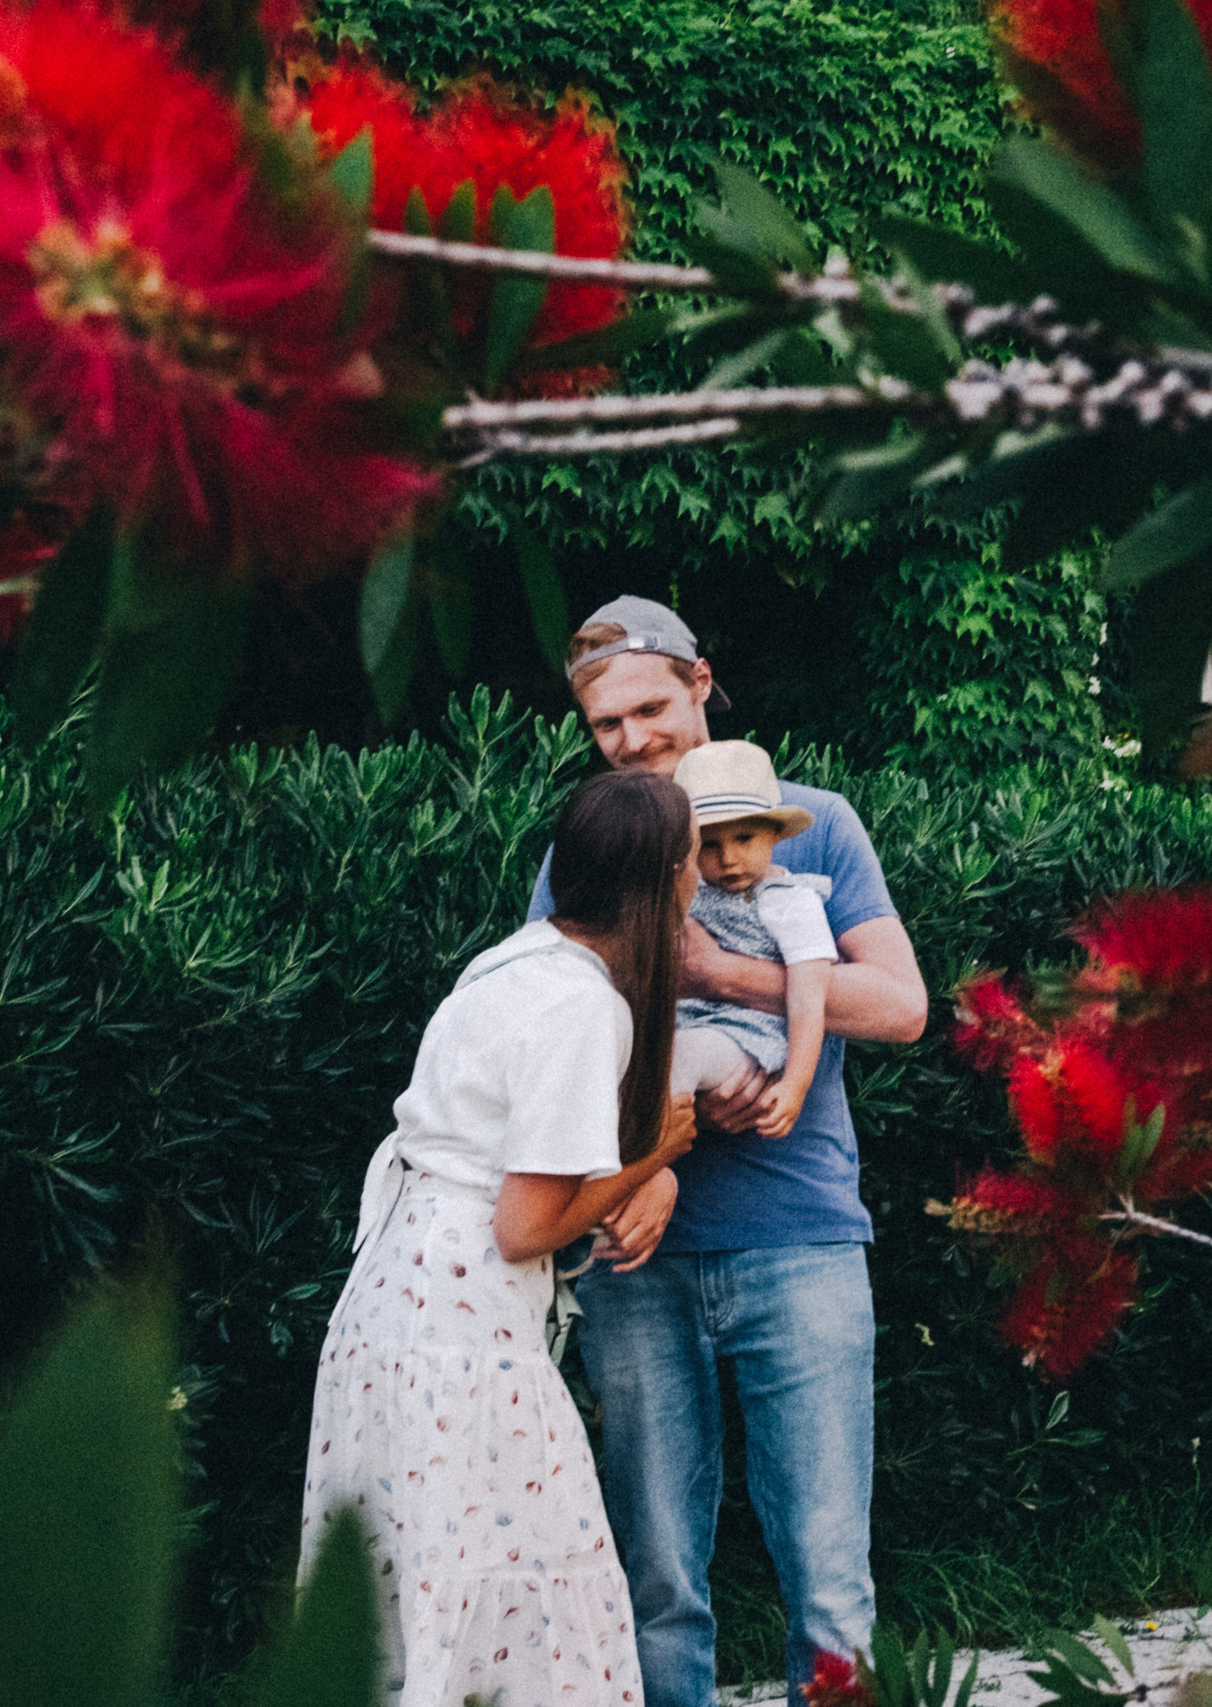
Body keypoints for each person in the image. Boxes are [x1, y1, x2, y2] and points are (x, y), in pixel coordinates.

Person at [525, 596, 929, 1707]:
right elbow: (545, 1034)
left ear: (702, 684)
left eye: (650, 707)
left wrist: (723, 979)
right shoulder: (591, 847)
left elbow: (899, 1006)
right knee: (656, 1578)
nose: (633, 739)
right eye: (606, 725)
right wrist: (647, 1160)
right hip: (634, 1259)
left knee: (829, 1579)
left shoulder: (816, 823)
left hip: (798, 1241)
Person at [301, 767, 702, 1707]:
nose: (700, 877)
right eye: (690, 861)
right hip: (462, 1322)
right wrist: (653, 1153)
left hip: (390, 1301)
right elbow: (524, 1227)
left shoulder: (510, 963)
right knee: (522, 1572)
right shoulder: (582, 1006)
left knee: (421, 1575)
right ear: (661, 882)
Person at [668, 740, 835, 1139]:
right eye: (709, 844)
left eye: (744, 838)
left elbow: (809, 1000)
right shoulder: (688, 891)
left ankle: (642, 1167)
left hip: (745, 1035)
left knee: (677, 1058)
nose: (727, 859)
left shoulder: (791, 902)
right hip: (680, 1022)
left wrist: (795, 1082)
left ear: (775, 834)